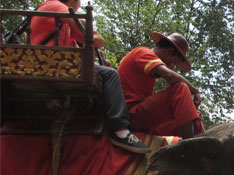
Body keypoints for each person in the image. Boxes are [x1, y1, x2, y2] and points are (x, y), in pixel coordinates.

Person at [29, 0, 150, 154]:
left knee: (104, 69)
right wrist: (86, 26)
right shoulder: (56, 6)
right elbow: (94, 37)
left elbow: (92, 44)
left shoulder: (61, 22)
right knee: (111, 74)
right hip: (53, 63)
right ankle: (120, 130)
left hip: (55, 62)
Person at [117, 32, 204, 138]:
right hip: (130, 115)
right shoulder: (143, 52)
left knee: (194, 116)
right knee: (181, 89)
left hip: (140, 117)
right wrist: (194, 90)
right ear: (170, 52)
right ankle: (190, 146)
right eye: (173, 63)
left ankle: (204, 149)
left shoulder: (149, 68)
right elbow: (169, 75)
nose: (171, 67)